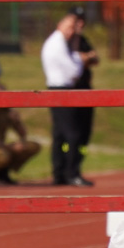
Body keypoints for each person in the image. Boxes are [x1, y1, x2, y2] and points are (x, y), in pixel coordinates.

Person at [41, 10, 98, 187]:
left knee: (60, 135)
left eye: (74, 27)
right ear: (60, 25)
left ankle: (60, 173)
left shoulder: (61, 43)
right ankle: (71, 173)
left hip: (59, 89)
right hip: (61, 91)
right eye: (69, 27)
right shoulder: (58, 44)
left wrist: (78, 56)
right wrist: (79, 57)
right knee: (72, 135)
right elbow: (73, 72)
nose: (71, 31)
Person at [70, 6, 99, 182]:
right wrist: (85, 57)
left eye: (83, 20)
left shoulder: (84, 40)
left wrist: (85, 57)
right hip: (71, 91)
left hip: (86, 91)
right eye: (77, 20)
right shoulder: (66, 41)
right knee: (70, 136)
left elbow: (95, 58)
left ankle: (77, 167)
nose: (80, 23)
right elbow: (73, 59)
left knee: (84, 135)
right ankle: (69, 169)